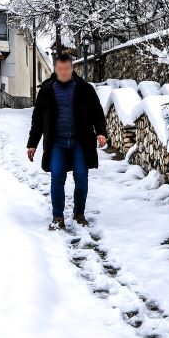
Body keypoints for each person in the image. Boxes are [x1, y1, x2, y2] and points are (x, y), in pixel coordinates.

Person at [26, 50, 108, 230]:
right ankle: (58, 217)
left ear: (72, 69)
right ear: (55, 69)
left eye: (67, 69)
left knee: (81, 177)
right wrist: (32, 143)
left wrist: (101, 132)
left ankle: (79, 214)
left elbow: (97, 113)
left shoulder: (85, 89)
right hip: (57, 143)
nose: (64, 72)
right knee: (57, 177)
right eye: (60, 69)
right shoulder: (46, 91)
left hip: (80, 142)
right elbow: (37, 119)